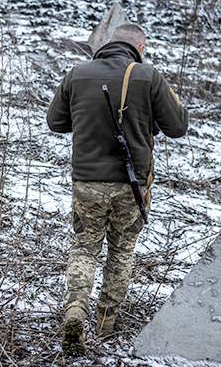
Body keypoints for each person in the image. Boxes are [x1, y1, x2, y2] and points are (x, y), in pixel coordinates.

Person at [46, 22, 189, 355]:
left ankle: (75, 310)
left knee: (85, 248)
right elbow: (178, 126)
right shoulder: (148, 76)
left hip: (87, 182)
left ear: (108, 43)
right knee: (121, 252)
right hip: (132, 185)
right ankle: (105, 322)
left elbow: (56, 122)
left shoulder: (77, 73)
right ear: (141, 48)